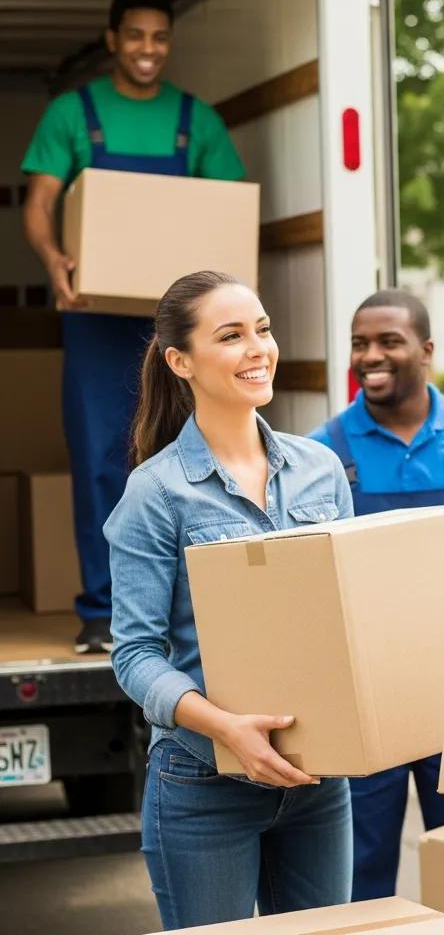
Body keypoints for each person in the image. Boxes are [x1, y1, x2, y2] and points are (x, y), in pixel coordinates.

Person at [105, 272, 353, 929]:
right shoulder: (156, 494)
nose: (258, 349)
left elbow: (350, 618)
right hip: (203, 786)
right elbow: (134, 655)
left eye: (263, 330)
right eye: (231, 336)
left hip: (318, 783)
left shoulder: (321, 470)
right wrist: (225, 728)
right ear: (180, 361)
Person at [22, 0, 245, 654]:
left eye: (160, 37)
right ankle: (102, 609)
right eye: (137, 36)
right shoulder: (74, 113)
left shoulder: (196, 121)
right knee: (101, 457)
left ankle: (187, 608)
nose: (149, 49)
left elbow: (229, 210)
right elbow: (40, 202)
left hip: (177, 321)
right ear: (113, 39)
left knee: (189, 454)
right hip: (94, 316)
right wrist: (54, 260)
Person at [308, 288, 444, 900]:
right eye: (359, 343)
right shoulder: (322, 453)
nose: (370, 356)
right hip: (363, 702)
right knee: (357, 881)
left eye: (389, 341)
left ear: (426, 350)